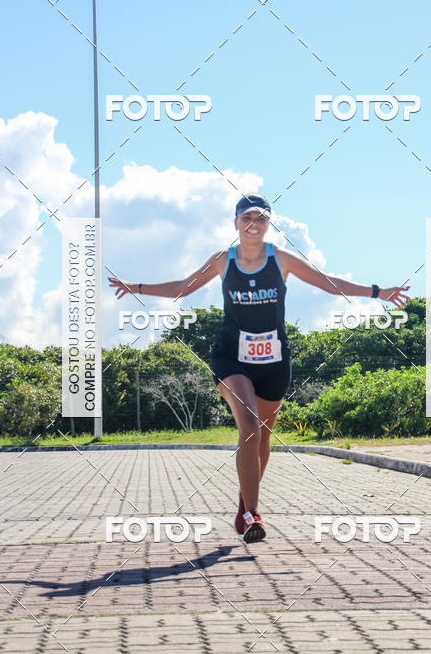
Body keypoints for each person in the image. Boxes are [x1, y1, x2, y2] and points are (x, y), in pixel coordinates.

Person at [108, 193, 410, 544]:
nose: (254, 223)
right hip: (231, 357)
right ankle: (254, 514)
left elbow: (328, 284)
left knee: (263, 437)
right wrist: (136, 288)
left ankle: (244, 506)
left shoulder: (281, 259)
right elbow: (182, 288)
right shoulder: (224, 261)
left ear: (269, 224)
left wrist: (377, 292)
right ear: (236, 223)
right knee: (249, 427)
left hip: (274, 362)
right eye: (246, 217)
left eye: (261, 218)